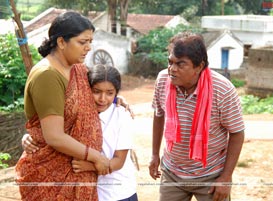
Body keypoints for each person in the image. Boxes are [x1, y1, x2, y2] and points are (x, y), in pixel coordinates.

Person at [15, 11, 110, 201]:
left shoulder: (77, 68)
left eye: (90, 42)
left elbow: (97, 94)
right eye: (82, 42)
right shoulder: (47, 75)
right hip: (50, 177)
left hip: (78, 172)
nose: (89, 48)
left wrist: (116, 100)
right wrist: (96, 157)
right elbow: (54, 136)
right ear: (61, 42)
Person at [148, 32, 245, 201]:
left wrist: (226, 177)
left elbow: (237, 132)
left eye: (180, 64)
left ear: (199, 67)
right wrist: (155, 154)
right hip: (172, 173)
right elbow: (159, 114)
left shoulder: (222, 90)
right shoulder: (163, 80)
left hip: (211, 175)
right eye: (170, 62)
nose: (172, 69)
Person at [22, 64, 138, 201]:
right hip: (89, 192)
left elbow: (118, 162)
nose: (102, 98)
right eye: (96, 91)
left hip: (118, 192)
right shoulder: (76, 115)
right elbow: (55, 133)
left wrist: (89, 166)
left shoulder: (121, 116)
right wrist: (29, 138)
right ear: (86, 90)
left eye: (109, 93)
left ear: (116, 93)